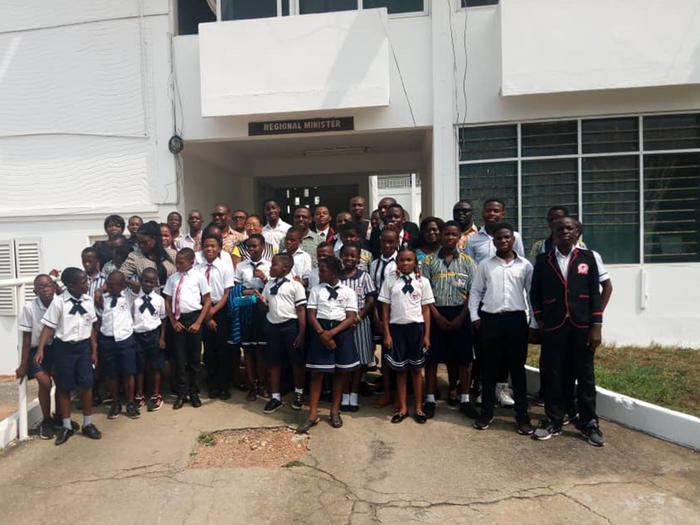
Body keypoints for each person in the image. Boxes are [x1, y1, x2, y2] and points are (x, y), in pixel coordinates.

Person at [530, 217, 604, 446]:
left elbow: (595, 293)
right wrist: (540, 321)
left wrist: (596, 326)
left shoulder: (588, 258)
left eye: (569, 228)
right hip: (553, 327)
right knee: (553, 374)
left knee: (585, 376)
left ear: (577, 232)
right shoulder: (543, 260)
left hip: (582, 327)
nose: (564, 232)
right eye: (559, 228)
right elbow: (535, 293)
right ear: (552, 231)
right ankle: (554, 419)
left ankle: (589, 422)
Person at [469, 223, 534, 435]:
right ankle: (486, 413)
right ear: (494, 241)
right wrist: (475, 316)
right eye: (499, 238)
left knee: (517, 370)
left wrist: (532, 322)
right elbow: (476, 292)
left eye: (507, 237)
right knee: (488, 369)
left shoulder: (525, 266)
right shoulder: (486, 265)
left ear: (513, 239)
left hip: (516, 320)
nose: (503, 241)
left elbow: (531, 296)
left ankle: (522, 417)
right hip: (490, 320)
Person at [36, 267, 102, 445]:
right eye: (83, 282)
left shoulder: (88, 301)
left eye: (87, 281)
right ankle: (66, 425)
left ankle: (87, 423)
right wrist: (41, 349)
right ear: (71, 285)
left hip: (83, 348)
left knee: (87, 384)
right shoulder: (59, 303)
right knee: (64, 387)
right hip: (64, 348)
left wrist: (94, 350)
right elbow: (48, 327)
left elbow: (92, 328)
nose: (87, 284)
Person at [421, 221, 478, 419]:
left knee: (463, 359)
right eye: (446, 234)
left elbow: (473, 292)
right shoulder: (428, 262)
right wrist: (436, 316)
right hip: (435, 312)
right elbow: (424, 291)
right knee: (432, 358)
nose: (450, 238)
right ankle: (429, 398)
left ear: (459, 237)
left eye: (454, 234)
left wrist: (462, 316)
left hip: (461, 313)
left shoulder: (468, 262)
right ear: (441, 236)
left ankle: (464, 399)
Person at [298, 257, 358, 433]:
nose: (320, 273)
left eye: (323, 271)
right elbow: (311, 315)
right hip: (320, 331)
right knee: (317, 373)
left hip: (340, 332)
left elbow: (351, 318)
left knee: (340, 373)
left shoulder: (348, 292)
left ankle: (334, 411)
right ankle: (313, 414)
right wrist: (322, 334)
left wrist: (332, 334)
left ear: (334, 272)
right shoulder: (316, 290)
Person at [379, 247, 433, 424]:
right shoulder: (390, 281)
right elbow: (385, 310)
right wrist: (387, 334)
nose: (405, 263)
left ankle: (418, 407)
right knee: (400, 371)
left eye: (409, 260)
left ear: (415, 262)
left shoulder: (422, 281)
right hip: (397, 329)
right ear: (397, 262)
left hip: (416, 329)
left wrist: (426, 336)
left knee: (417, 370)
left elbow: (426, 310)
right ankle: (402, 407)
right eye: (401, 260)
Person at [257, 253, 307, 413]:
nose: (270, 268)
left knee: (296, 362)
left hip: (290, 327)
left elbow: (300, 310)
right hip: (273, 326)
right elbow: (264, 307)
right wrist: (260, 301)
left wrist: (301, 332)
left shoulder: (295, 286)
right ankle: (276, 396)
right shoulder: (269, 284)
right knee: (274, 362)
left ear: (285, 268)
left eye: (273, 265)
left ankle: (299, 393)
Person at [163, 248, 211, 410]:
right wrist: (173, 321)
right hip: (178, 320)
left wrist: (198, 322)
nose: (177, 265)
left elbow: (207, 301)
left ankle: (194, 392)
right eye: (176, 262)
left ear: (191, 262)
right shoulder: (173, 278)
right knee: (179, 358)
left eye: (181, 263)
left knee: (194, 358)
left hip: (194, 318)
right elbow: (168, 302)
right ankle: (182, 393)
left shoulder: (199, 276)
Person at [16, 274, 58, 439]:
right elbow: (26, 337)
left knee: (61, 382)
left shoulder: (60, 303)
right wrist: (23, 363)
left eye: (48, 285)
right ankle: (46, 420)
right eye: (41, 287)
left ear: (54, 286)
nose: (46, 289)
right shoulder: (29, 307)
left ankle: (60, 418)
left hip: (57, 348)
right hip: (36, 350)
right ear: (35, 291)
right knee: (44, 382)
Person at [95, 271, 139, 420]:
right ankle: (116, 402)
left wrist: (126, 282)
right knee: (111, 374)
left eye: (114, 285)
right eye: (109, 284)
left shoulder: (127, 296)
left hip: (125, 339)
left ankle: (131, 403)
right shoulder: (102, 298)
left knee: (129, 372)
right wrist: (100, 290)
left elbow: (137, 287)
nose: (111, 287)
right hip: (107, 339)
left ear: (121, 285)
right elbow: (98, 318)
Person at [339, 243, 376, 412]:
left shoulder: (364, 276)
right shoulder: (337, 277)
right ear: (341, 257)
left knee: (359, 362)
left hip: (361, 323)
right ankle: (344, 394)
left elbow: (370, 301)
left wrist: (358, 318)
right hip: (341, 324)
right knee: (344, 361)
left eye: (353, 256)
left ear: (359, 258)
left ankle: (354, 394)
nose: (349, 259)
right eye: (346, 255)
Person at [197, 233, 234, 400]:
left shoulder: (225, 266)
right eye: (206, 246)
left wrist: (213, 311)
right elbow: (198, 292)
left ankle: (224, 385)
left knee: (223, 349)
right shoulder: (198, 268)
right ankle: (212, 384)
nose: (209, 249)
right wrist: (206, 314)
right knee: (209, 350)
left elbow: (227, 292)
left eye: (213, 246)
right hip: (202, 310)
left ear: (219, 248)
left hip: (220, 309)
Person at [233, 235, 271, 401]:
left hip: (263, 309)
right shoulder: (241, 266)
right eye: (249, 247)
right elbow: (236, 288)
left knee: (261, 349)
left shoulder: (269, 265)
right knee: (248, 348)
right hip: (247, 307)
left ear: (263, 247)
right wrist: (249, 291)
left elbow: (274, 286)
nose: (252, 249)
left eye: (255, 246)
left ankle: (262, 383)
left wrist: (264, 278)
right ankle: (252, 385)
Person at [369, 228, 399, 407]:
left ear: (397, 243)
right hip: (379, 310)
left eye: (391, 242)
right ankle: (387, 391)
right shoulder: (374, 264)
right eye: (384, 242)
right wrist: (376, 315)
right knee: (385, 352)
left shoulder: (400, 262)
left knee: (397, 351)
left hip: (398, 310)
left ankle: (400, 389)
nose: (387, 245)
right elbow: (372, 292)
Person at [131, 267, 167, 411]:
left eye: (152, 282)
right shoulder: (134, 300)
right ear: (140, 281)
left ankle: (156, 394)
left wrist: (162, 338)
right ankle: (139, 394)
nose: (148, 285)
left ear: (156, 283)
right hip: (138, 336)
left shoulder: (159, 300)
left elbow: (163, 320)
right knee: (139, 367)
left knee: (156, 366)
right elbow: (131, 318)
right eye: (146, 281)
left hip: (154, 335)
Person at [120, 221, 176, 290]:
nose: (141, 245)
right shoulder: (135, 257)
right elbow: (121, 276)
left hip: (171, 297)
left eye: (145, 242)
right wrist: (136, 285)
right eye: (139, 242)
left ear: (155, 239)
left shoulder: (172, 254)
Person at [466, 198, 524, 264]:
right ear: (482, 213)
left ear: (503, 215)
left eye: (496, 211)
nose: (491, 213)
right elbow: (469, 267)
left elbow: (520, 262)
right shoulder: (472, 240)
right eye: (488, 211)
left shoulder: (514, 237)